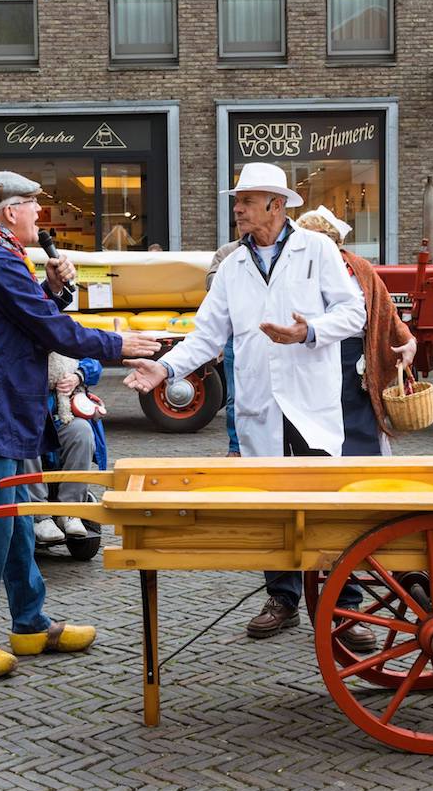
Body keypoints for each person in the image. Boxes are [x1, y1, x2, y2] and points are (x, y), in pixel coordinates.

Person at [122, 162, 368, 641]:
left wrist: (309, 331)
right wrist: (166, 368)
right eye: (237, 200)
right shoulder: (233, 264)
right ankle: (282, 598)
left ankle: (344, 605)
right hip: (259, 403)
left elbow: (354, 313)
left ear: (276, 205)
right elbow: (206, 336)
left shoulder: (316, 249)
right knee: (271, 505)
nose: (237, 208)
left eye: (247, 201)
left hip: (310, 401)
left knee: (327, 505)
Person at [0, 171, 159, 679]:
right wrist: (118, 345)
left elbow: (26, 321)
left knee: (13, 521)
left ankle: (30, 623)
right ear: (9, 212)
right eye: (33, 204)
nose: (40, 212)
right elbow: (49, 330)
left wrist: (52, 289)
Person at [296, 206, 417, 456]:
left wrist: (407, 340)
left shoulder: (358, 268)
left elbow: (385, 310)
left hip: (351, 359)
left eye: (322, 237)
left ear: (335, 240)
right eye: (307, 236)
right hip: (309, 355)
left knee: (354, 418)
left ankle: (361, 473)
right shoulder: (296, 269)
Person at [25, 355, 107, 542]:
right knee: (25, 439)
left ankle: (70, 511)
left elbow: (92, 358)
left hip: (59, 417)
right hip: (26, 417)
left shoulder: (63, 332)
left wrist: (78, 376)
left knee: (82, 431)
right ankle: (39, 515)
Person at [205, 221, 251, 457]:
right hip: (235, 333)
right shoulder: (227, 253)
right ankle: (236, 447)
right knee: (236, 395)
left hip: (270, 335)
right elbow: (212, 285)